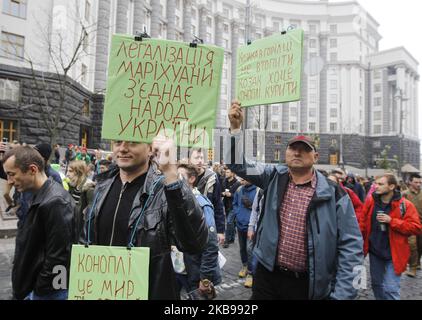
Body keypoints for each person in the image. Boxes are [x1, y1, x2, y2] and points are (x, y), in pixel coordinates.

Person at [226, 100, 363, 300]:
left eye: (304, 149)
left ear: (315, 156)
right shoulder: (272, 175)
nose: (297, 152)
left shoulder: (335, 195)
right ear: (286, 153)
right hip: (266, 276)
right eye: (293, 148)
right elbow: (238, 164)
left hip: (306, 285)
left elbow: (352, 247)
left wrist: (344, 295)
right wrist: (236, 129)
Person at [82, 138, 208, 299]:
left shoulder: (165, 190)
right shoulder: (100, 186)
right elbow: (84, 239)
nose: (123, 148)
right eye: (118, 142)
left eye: (132, 143)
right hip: (99, 291)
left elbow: (195, 243)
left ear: (150, 149)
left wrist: (171, 174)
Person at [2, 146, 74, 300]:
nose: (9, 181)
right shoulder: (37, 194)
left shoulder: (56, 202)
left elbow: (59, 257)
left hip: (46, 292)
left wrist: (41, 290)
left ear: (32, 170)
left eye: (11, 174)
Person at [360, 173, 422, 300]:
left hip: (394, 254)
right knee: (376, 285)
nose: (376, 186)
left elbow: (416, 227)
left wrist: (392, 221)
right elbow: (362, 222)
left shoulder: (405, 205)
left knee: (390, 289)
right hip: (375, 252)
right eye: (375, 183)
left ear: (392, 186)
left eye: (380, 184)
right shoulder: (371, 201)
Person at [177, 163, 221, 299]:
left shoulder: (201, 204)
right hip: (181, 270)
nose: (175, 179)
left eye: (179, 176)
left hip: (196, 274)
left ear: (191, 179)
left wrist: (205, 278)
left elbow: (211, 244)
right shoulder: (178, 201)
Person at [189, 148, 226, 245]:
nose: (200, 160)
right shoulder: (184, 176)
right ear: (189, 159)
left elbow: (218, 204)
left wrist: (220, 231)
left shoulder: (212, 178)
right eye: (196, 157)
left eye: (201, 157)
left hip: (207, 227)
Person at [233, 178, 257, 288]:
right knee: (242, 248)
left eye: (246, 177)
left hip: (251, 227)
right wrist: (237, 213)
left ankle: (251, 273)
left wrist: (251, 205)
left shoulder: (258, 190)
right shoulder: (239, 190)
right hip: (240, 224)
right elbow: (235, 204)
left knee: (250, 249)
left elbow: (258, 209)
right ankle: (245, 266)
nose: (243, 179)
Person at [66, 160, 95, 243]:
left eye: (70, 171)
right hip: (73, 229)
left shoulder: (89, 189)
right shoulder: (73, 186)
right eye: (67, 171)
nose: (67, 174)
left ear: (79, 172)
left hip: (81, 236)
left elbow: (89, 218)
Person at [402, 173, 422, 277]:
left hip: (421, 225)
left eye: (420, 182)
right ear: (410, 182)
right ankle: (412, 268)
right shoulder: (404, 194)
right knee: (412, 245)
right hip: (410, 225)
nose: (418, 184)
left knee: (420, 245)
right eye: (416, 182)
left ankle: (418, 263)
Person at [222, 167, 241, 248]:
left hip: (233, 206)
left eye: (228, 172)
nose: (226, 174)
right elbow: (220, 192)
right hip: (226, 205)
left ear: (233, 174)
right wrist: (222, 193)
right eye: (226, 172)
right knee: (231, 222)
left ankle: (226, 240)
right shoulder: (224, 181)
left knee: (229, 222)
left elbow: (239, 196)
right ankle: (232, 238)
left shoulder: (237, 183)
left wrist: (231, 195)